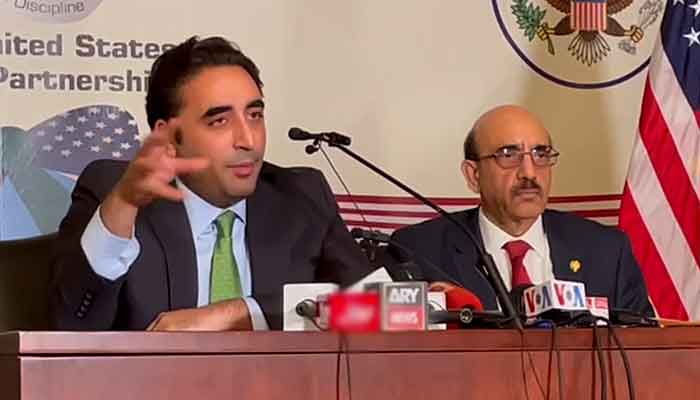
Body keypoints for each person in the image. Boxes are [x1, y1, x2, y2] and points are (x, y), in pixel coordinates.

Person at [49, 36, 373, 331]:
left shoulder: (300, 196)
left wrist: (241, 313)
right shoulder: (116, 191)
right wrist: (123, 205)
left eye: (255, 115)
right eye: (220, 121)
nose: (248, 140)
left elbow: (378, 308)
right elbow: (70, 331)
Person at [389, 105, 654, 317]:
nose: (529, 172)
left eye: (541, 154)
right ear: (473, 175)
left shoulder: (606, 250)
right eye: (508, 155)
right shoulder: (418, 252)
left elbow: (646, 352)